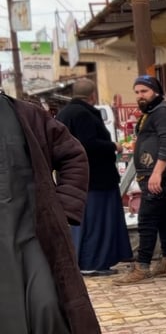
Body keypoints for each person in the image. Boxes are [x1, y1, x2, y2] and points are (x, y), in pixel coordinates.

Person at [0, 92, 104, 334]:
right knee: (6, 318)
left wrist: (63, 206)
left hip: (34, 233)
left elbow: (73, 155)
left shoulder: (28, 115)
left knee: (45, 303)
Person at [56, 78, 132, 276]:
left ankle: (83, 262)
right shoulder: (84, 114)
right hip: (95, 178)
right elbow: (88, 145)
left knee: (82, 223)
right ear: (93, 96)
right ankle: (92, 263)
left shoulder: (64, 113)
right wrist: (113, 146)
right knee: (97, 222)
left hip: (72, 178)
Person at [116, 75, 166, 284]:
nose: (140, 96)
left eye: (144, 91)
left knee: (146, 219)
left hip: (159, 176)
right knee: (161, 217)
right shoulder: (152, 112)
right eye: (137, 92)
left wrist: (157, 172)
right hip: (151, 175)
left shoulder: (164, 112)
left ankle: (142, 266)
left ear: (156, 91)